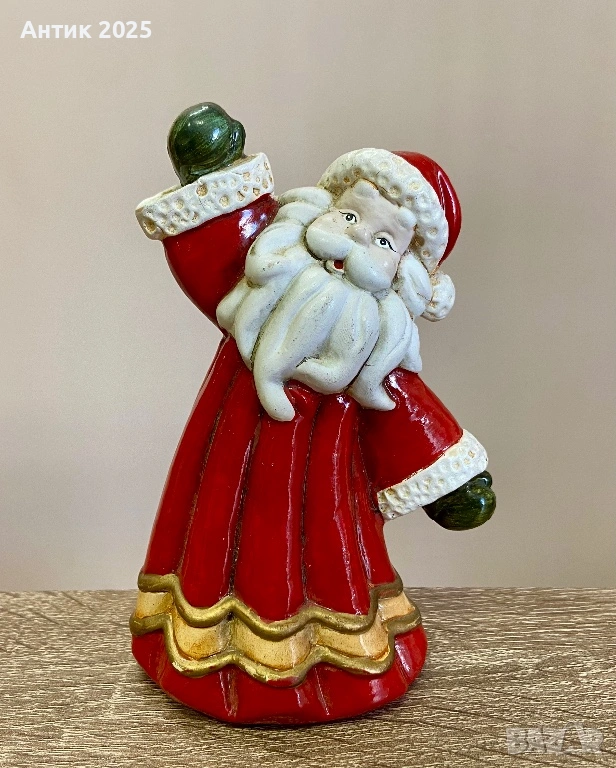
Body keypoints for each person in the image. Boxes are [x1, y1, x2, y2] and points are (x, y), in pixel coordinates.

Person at [130, 103, 496, 724]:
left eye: (383, 241)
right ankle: (203, 647)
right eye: (349, 216)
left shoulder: (371, 354)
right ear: (318, 209)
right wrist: (210, 169)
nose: (352, 242)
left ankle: (336, 658)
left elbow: (407, 414)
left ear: (403, 276)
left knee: (328, 559)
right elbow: (216, 248)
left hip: (326, 490)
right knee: (215, 534)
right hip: (229, 459)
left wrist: (454, 484)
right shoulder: (266, 280)